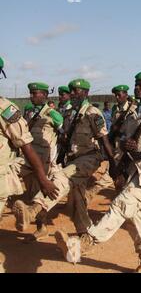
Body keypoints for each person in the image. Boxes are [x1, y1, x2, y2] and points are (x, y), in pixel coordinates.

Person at [55, 71, 141, 272]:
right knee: (134, 216)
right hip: (132, 171)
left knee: (120, 205)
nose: (137, 88)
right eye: (136, 84)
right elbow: (122, 142)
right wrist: (122, 154)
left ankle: (85, 242)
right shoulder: (131, 114)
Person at [13, 79, 116, 236]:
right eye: (71, 91)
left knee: (62, 178)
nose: (72, 94)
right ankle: (85, 234)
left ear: (86, 93)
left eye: (76, 91)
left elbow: (104, 140)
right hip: (73, 158)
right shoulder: (70, 113)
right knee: (77, 200)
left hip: (89, 157)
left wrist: (113, 165)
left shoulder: (92, 113)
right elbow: (66, 137)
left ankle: (33, 210)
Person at [0, 57, 59, 225]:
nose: (32, 96)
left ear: (45, 95)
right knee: (32, 191)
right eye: (31, 93)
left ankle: (37, 221)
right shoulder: (30, 112)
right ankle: (33, 218)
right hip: (28, 157)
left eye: (35, 93)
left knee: (41, 190)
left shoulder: (52, 113)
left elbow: (62, 130)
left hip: (42, 157)